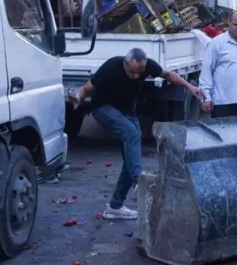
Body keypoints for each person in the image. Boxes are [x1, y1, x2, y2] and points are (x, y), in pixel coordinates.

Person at [71, 48, 203, 219]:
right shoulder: (112, 66)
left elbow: (168, 75)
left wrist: (189, 86)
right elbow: (87, 88)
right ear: (125, 63)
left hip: (127, 111)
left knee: (130, 155)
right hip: (103, 109)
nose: (135, 76)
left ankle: (115, 206)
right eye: (132, 72)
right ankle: (138, 181)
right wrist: (77, 96)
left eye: (139, 73)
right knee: (132, 135)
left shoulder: (147, 66)